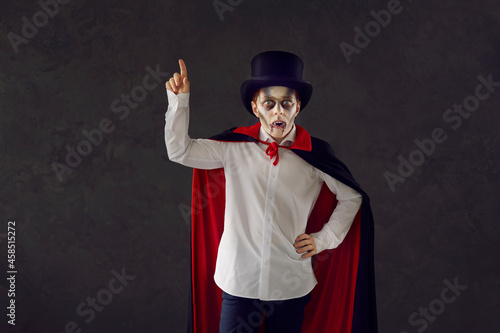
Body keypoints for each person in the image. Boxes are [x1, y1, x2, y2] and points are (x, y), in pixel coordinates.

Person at [165, 51, 378, 333]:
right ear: (255, 107)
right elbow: (180, 150)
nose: (278, 111)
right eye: (269, 103)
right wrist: (179, 102)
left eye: (286, 103)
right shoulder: (233, 147)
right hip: (239, 280)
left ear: (297, 107)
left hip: (290, 282)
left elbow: (352, 196)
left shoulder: (314, 154)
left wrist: (324, 239)